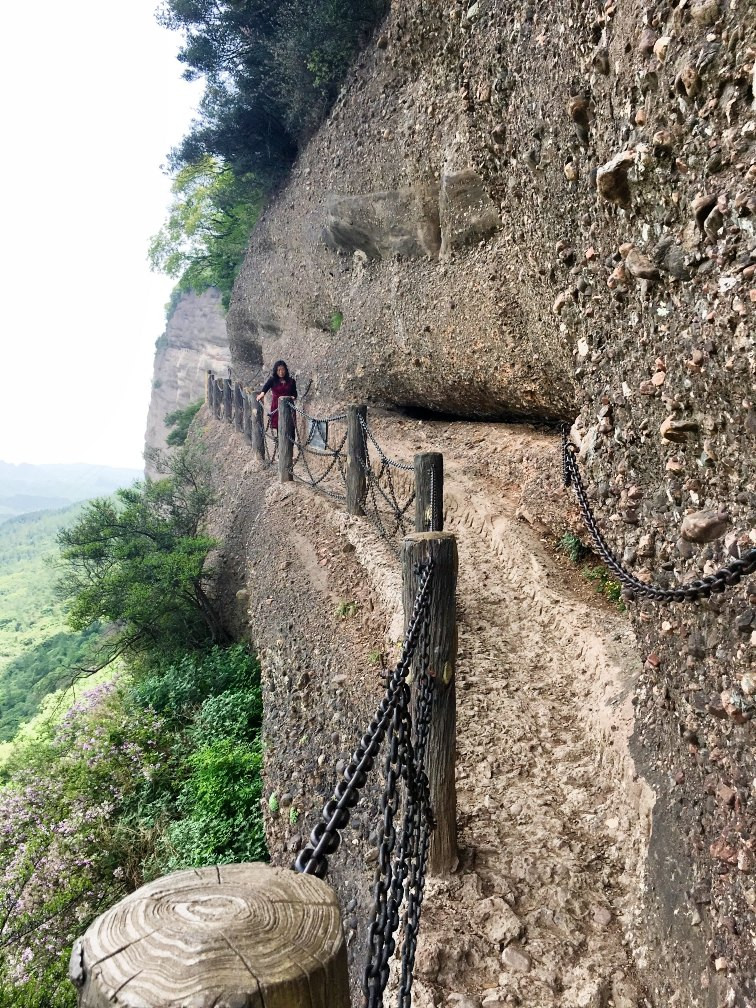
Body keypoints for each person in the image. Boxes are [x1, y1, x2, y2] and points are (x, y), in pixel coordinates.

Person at [256, 360, 297, 431]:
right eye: (279, 370)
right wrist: (261, 395)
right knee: (280, 428)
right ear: (276, 371)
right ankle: (280, 441)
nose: (281, 372)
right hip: (276, 406)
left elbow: (295, 394)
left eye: (283, 369)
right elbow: (265, 388)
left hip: (289, 406)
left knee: (290, 428)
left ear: (286, 370)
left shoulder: (291, 381)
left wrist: (292, 397)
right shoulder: (272, 380)